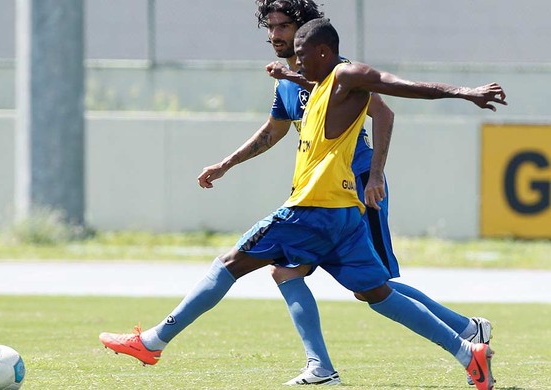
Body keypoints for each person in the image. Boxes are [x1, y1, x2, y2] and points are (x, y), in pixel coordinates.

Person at [99, 18, 505, 390]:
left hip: (311, 209)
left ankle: (153, 342)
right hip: (344, 215)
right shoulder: (319, 85)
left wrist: (466, 92)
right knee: (377, 293)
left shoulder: (348, 74)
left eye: (302, 55)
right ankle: (466, 350)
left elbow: (397, 85)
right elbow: (307, 97)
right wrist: (288, 76)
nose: (297, 61)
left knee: (229, 263)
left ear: (323, 53)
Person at [197, 0, 493, 386]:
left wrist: (376, 176)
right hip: (319, 199)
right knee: (306, 275)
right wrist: (227, 164)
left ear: (306, 30)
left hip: (354, 191)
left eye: (283, 26)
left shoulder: (338, 70)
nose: (275, 36)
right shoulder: (291, 79)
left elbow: (385, 113)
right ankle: (463, 334)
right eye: (270, 28)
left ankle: (464, 334)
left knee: (371, 287)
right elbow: (274, 131)